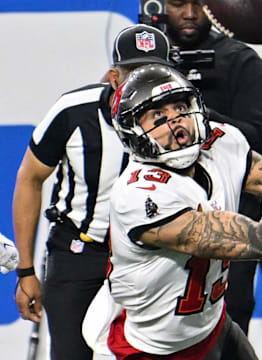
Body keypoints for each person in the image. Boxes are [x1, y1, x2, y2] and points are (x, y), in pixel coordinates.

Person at [101, 63, 262, 360]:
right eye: (158, 116)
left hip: (212, 327)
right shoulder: (140, 195)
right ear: (133, 130)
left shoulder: (220, 144)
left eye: (181, 108)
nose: (177, 122)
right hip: (153, 349)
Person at [13, 24, 172, 360]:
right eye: (137, 76)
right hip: (80, 254)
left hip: (151, 260)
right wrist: (26, 271)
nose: (149, 88)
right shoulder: (74, 110)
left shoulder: (181, 117)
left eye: (157, 76)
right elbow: (29, 178)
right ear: (115, 78)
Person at [163, 0, 262, 333]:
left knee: (229, 323)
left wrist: (200, 115)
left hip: (232, 220)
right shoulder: (145, 66)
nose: (189, 13)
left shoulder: (241, 62)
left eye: (198, 3)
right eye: (177, 3)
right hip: (162, 217)